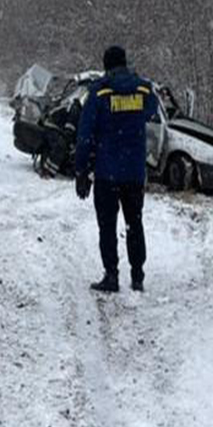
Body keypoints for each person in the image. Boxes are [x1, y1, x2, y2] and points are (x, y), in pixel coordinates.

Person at [74, 46, 158, 293]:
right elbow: (152, 111)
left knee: (107, 226)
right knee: (135, 223)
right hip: (134, 172)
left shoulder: (99, 92)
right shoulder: (143, 89)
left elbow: (84, 135)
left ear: (106, 65)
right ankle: (138, 276)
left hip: (106, 172)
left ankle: (111, 275)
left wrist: (81, 171)